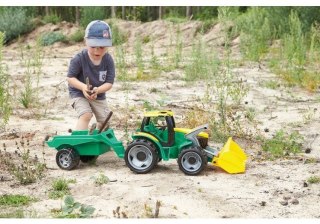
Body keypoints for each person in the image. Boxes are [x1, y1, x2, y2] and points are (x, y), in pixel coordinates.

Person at [67, 20, 115, 130]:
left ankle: (97, 138)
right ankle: (80, 142)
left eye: (102, 47)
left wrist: (98, 90)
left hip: (98, 93)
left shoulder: (108, 60)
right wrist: (84, 87)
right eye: (93, 46)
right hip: (79, 92)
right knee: (86, 115)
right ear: (86, 42)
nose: (97, 51)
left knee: (105, 120)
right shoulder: (78, 59)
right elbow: (70, 78)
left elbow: (109, 83)